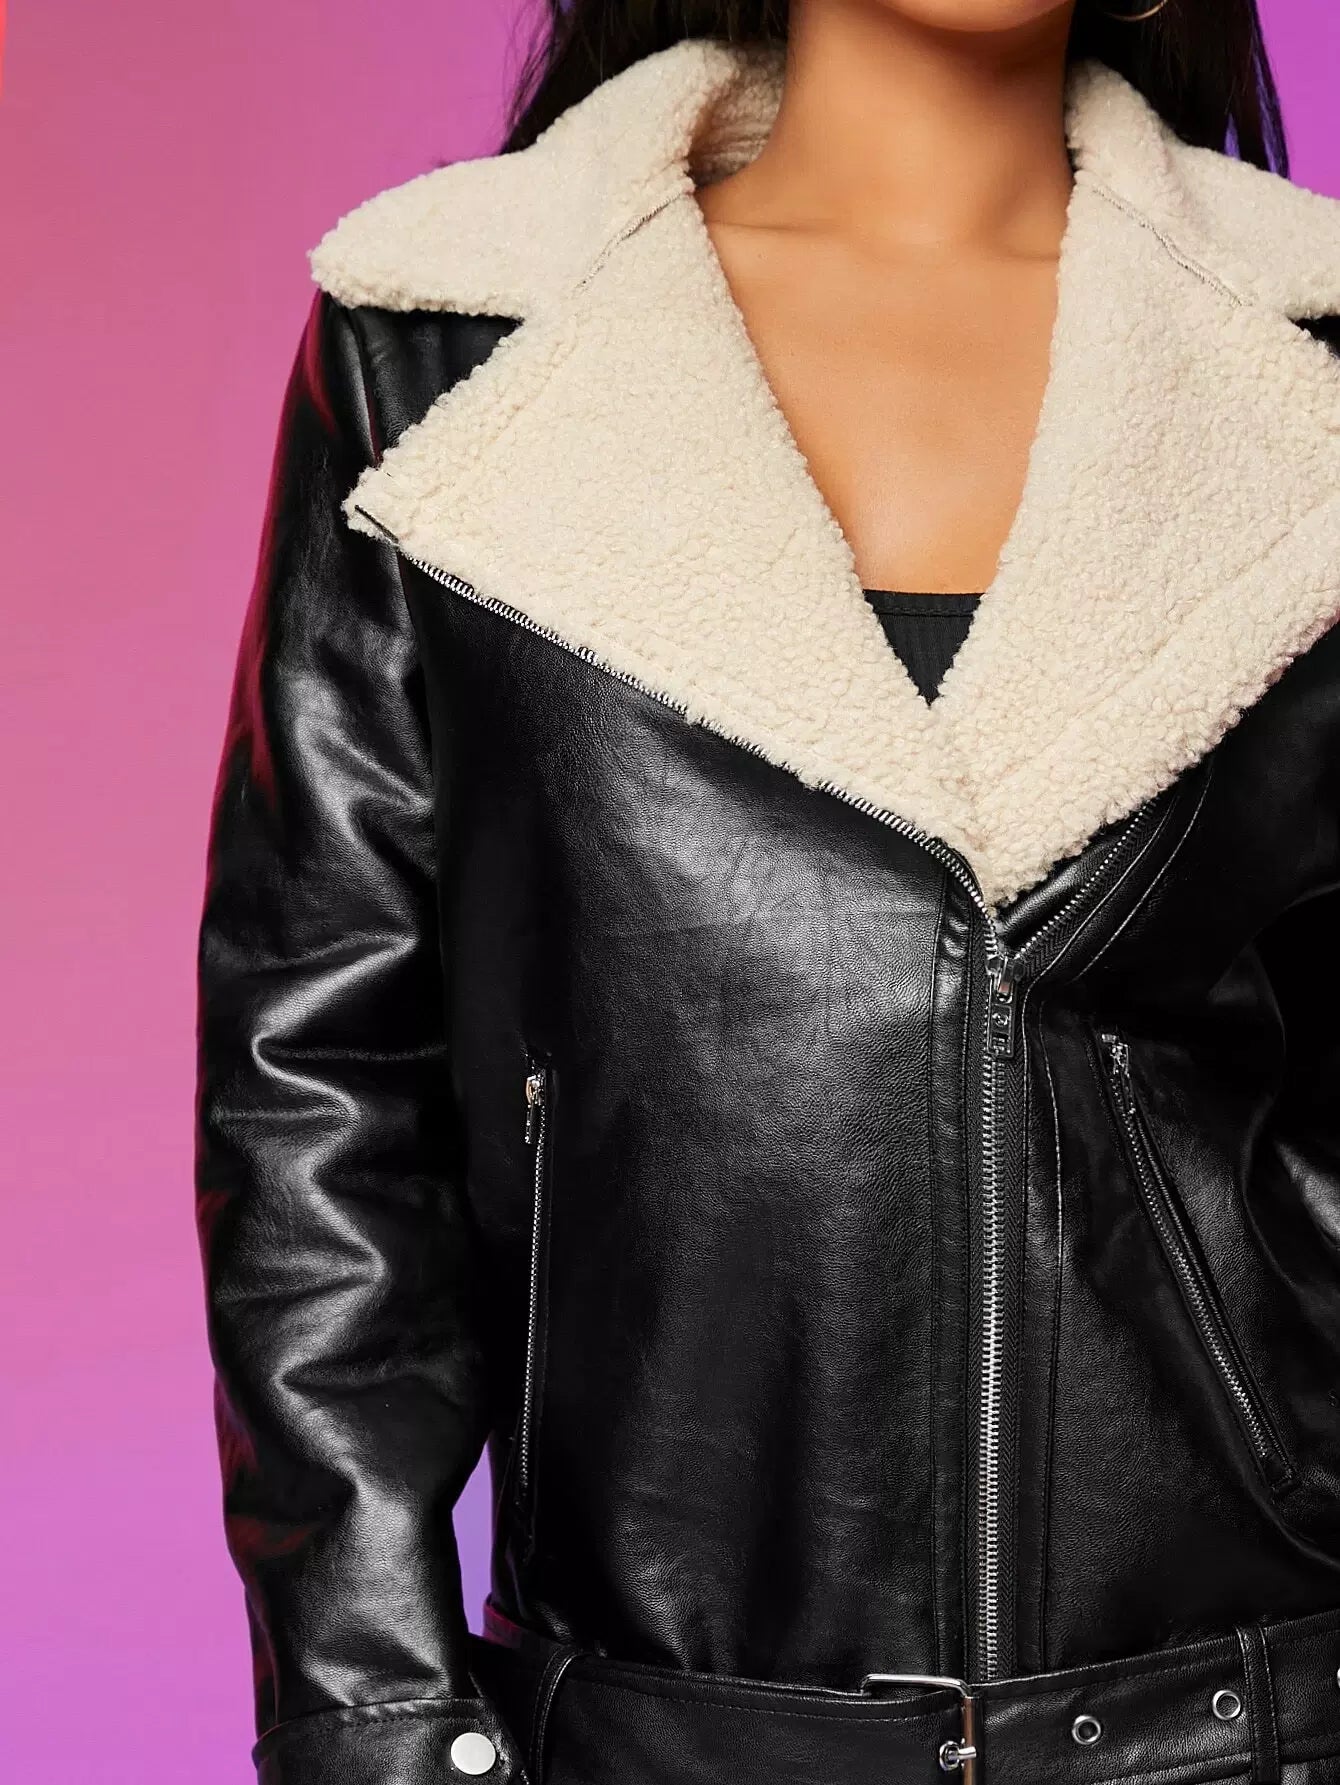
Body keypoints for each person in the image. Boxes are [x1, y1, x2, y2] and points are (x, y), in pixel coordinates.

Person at [192, 2, 1340, 1782]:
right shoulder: (450, 344)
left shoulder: (1304, 362)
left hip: (1250, 1727)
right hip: (654, 1738)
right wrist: (379, 1724)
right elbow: (318, 1089)